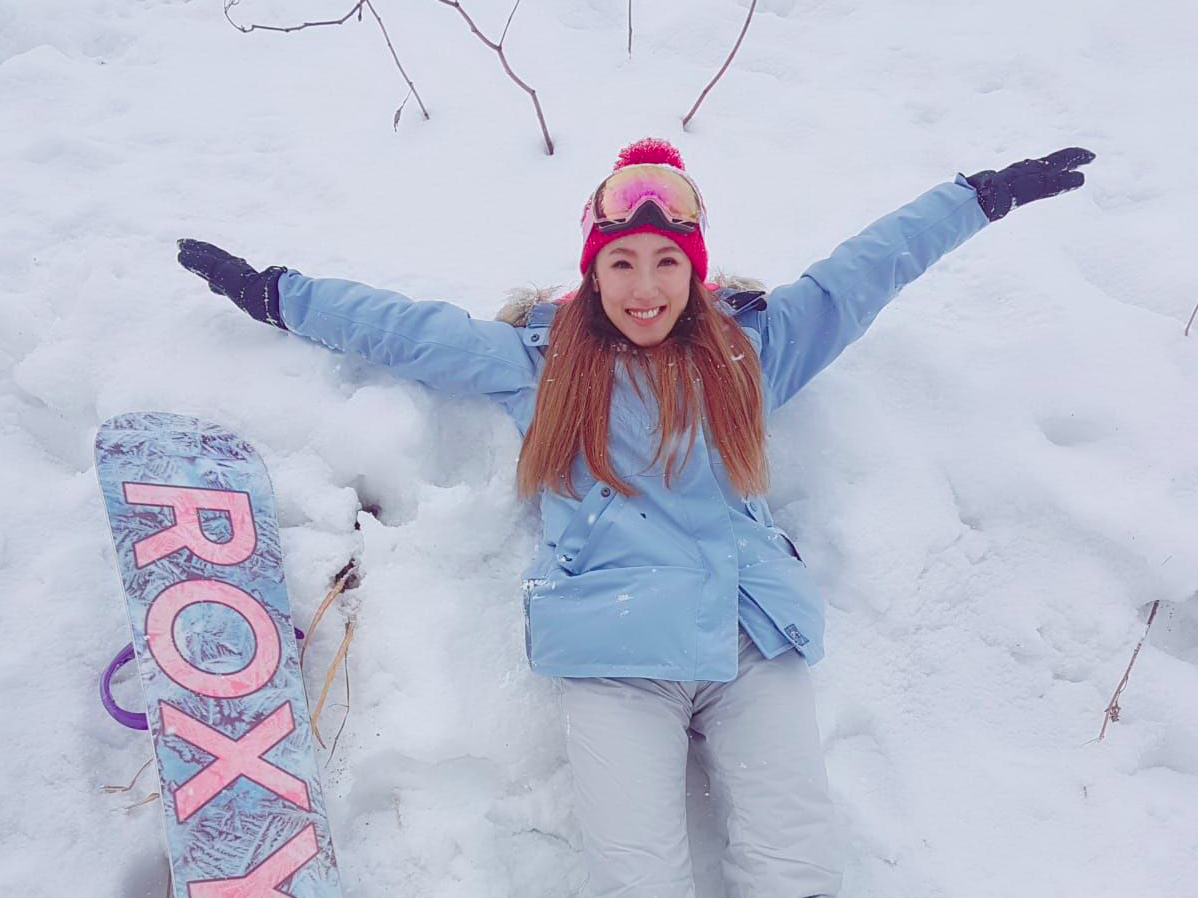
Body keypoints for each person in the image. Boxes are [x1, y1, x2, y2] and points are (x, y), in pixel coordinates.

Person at [177, 138, 1094, 897]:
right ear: (594, 269)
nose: (645, 285)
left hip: (750, 638)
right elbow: (401, 327)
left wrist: (978, 197)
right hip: (614, 654)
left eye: (666, 263)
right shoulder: (537, 365)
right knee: (637, 877)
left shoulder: (752, 353)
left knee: (797, 861)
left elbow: (864, 271)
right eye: (622, 262)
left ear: (695, 272)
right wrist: (272, 290)